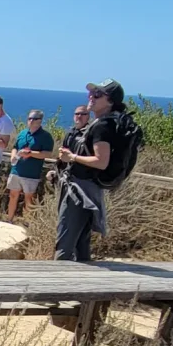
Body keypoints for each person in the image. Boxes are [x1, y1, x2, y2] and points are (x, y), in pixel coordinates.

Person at [56, 80, 124, 261]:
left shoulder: (102, 126)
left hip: (80, 191)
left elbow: (101, 161)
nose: (91, 97)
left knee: (65, 241)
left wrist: (72, 158)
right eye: (91, 94)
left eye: (97, 95)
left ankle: (56, 283)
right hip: (90, 190)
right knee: (81, 243)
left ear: (110, 101)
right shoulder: (107, 123)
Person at [7, 110, 54, 220]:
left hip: (31, 173)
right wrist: (13, 156)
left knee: (29, 199)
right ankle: (9, 220)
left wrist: (30, 153)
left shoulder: (45, 136)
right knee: (13, 195)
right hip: (16, 170)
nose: (31, 121)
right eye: (29, 118)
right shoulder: (23, 133)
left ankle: (27, 223)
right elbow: (15, 147)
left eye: (35, 118)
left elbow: (47, 153)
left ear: (40, 120)